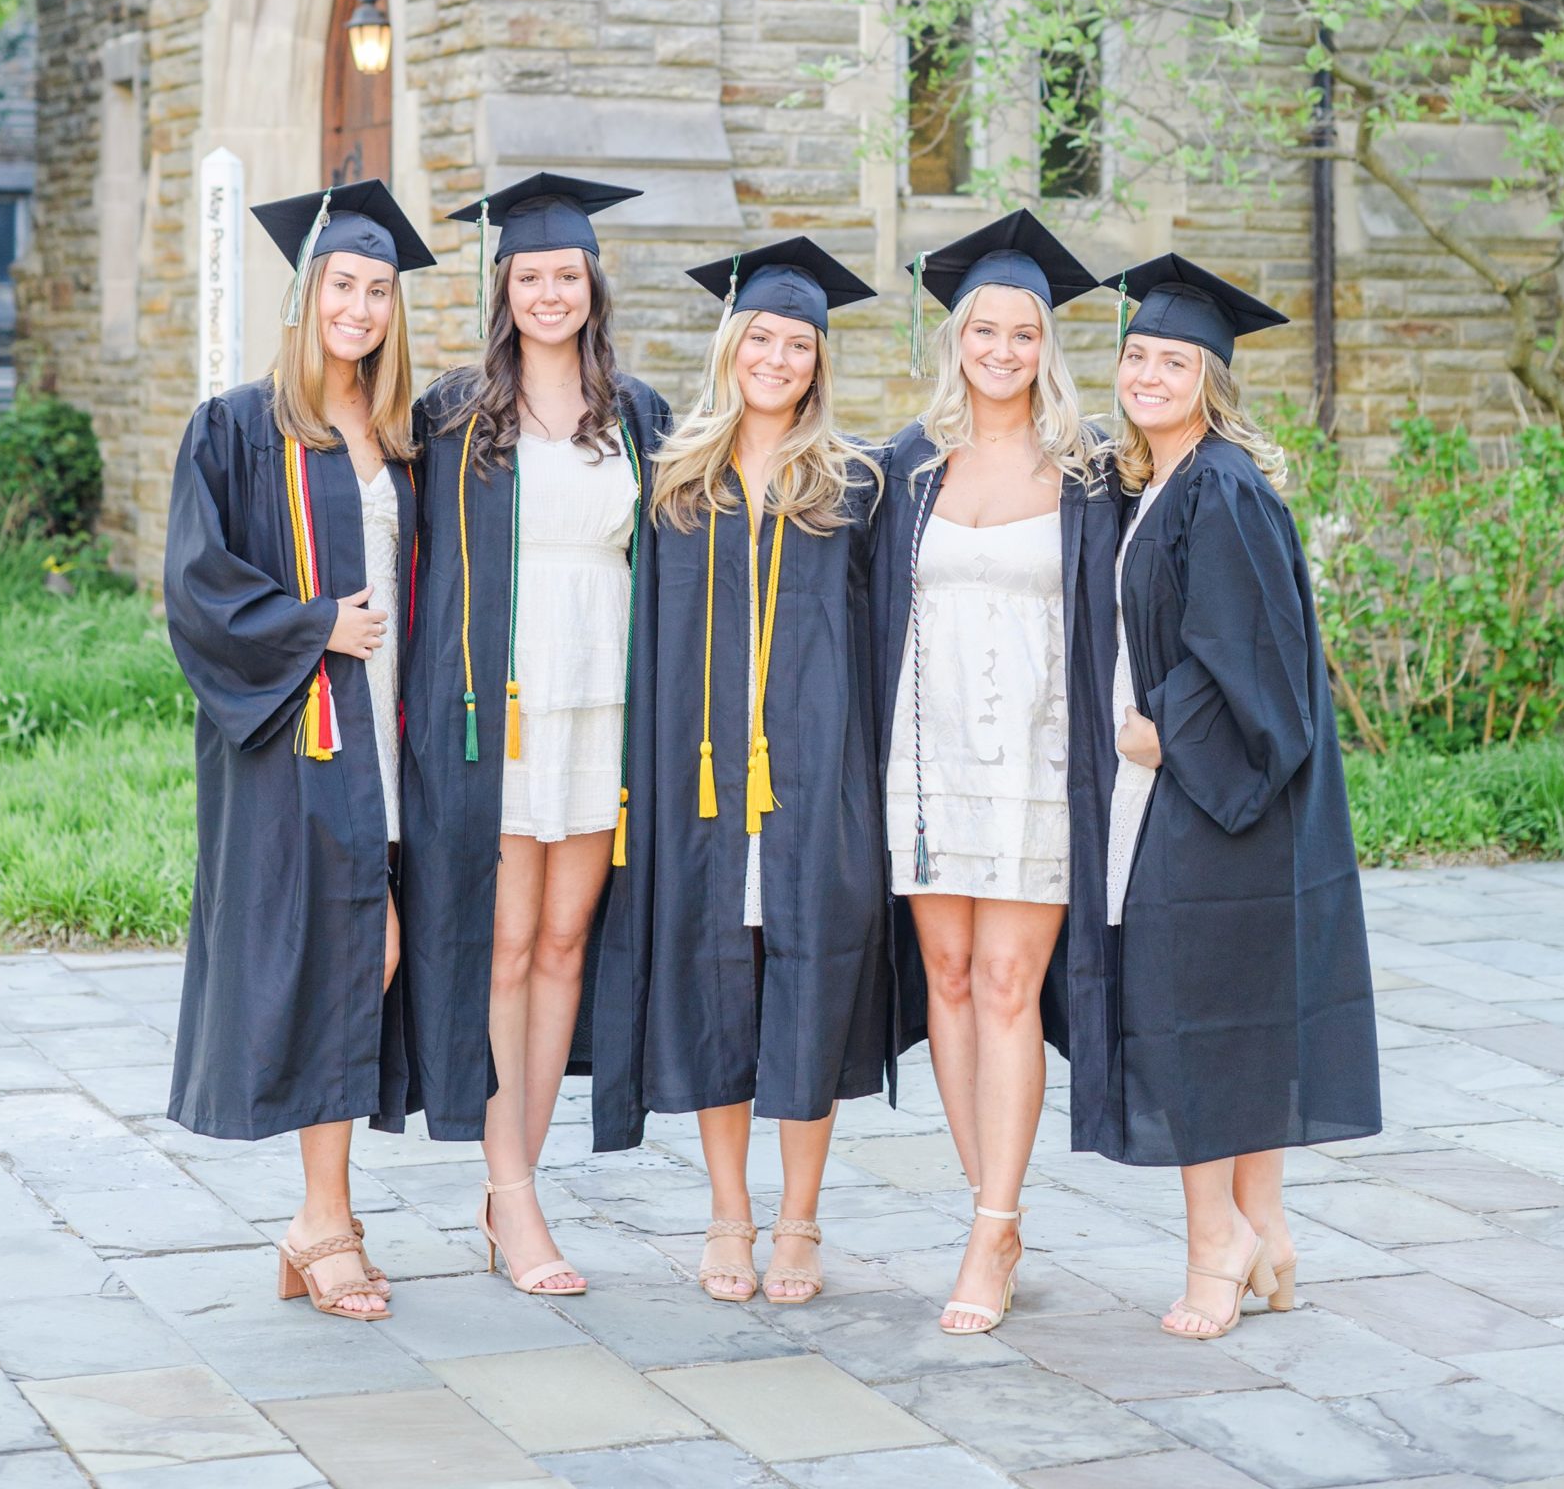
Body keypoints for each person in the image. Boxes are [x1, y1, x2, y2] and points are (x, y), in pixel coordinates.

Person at [594, 237, 887, 1310]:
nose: (775, 358)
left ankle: (800, 1219)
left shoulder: (853, 483)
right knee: (718, 984)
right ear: (729, 345)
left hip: (816, 788)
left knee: (808, 986)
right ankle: (728, 1213)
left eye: (796, 343)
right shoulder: (674, 480)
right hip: (701, 788)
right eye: (759, 336)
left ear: (818, 361)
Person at [164, 178, 434, 1322]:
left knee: (369, 957)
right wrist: (318, 622)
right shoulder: (237, 424)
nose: (360, 306)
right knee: (342, 958)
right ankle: (322, 1220)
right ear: (306, 290)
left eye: (377, 289)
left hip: (392, 744)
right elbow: (195, 587)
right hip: (296, 738)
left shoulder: (407, 439)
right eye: (342, 283)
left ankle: (324, 1216)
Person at [1097, 252, 1380, 1339]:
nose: (1149, 374)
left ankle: (1213, 1245)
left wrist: (1160, 725)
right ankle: (1267, 1236)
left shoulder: (1219, 485)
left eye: (1173, 360)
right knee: (1235, 1024)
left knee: (1193, 1024)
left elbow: (1255, 660)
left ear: (1211, 379)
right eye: (1136, 355)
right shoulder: (1168, 479)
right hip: (1222, 803)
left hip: (1222, 803)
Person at [401, 174, 671, 1298]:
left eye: (566, 274)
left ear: (591, 285)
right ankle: (514, 1199)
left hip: (602, 697)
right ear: (502, 288)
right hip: (500, 704)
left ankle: (519, 1176)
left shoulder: (641, 413)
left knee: (567, 944)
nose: (549, 291)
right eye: (530, 276)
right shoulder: (455, 412)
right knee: (505, 944)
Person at [872, 208, 1122, 1337]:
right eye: (986, 329)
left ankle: (988, 1223)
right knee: (951, 976)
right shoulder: (907, 468)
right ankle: (998, 1214)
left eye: (1024, 333)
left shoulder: (1088, 473)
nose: (1004, 350)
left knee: (1012, 983)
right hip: (924, 761)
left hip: (1035, 757)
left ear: (1045, 347)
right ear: (956, 338)